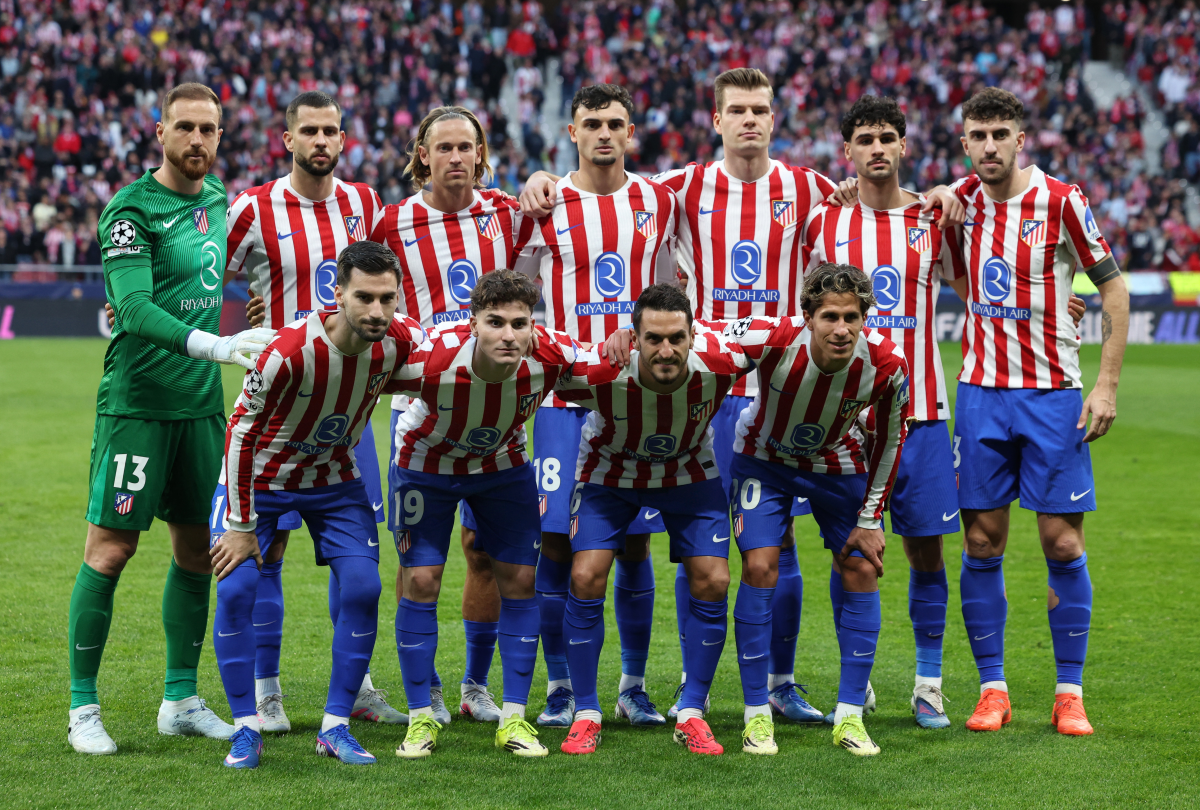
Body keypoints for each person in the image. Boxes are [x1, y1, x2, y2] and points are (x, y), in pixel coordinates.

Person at [522, 68, 961, 722]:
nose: (749, 119)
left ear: (774, 119)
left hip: (783, 392)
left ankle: (781, 682)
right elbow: (606, 187)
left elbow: (880, 197)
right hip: (702, 389)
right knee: (692, 544)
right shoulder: (679, 187)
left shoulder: (811, 189)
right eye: (738, 110)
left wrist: (938, 192)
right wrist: (543, 179)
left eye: (760, 109)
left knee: (776, 546)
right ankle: (681, 687)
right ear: (718, 119)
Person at [67, 83, 274, 756]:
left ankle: (180, 700)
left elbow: (232, 272)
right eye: (184, 127)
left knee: (196, 554)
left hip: (200, 409)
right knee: (111, 550)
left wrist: (257, 310)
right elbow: (131, 309)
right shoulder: (131, 210)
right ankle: (82, 708)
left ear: (220, 134)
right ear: (160, 132)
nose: (197, 140)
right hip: (139, 406)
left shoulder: (217, 200)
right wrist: (215, 345)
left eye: (208, 129)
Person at [216, 90, 402, 731]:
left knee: (354, 556)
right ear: (288, 138)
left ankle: (360, 688)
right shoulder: (252, 207)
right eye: (310, 131)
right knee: (264, 555)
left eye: (331, 131)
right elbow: (207, 275)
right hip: (279, 400)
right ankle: (266, 692)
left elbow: (382, 281)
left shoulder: (364, 204)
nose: (321, 141)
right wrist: (246, 318)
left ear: (343, 139)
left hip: (347, 409)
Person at [946, 88, 1128, 736]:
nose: (989, 145)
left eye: (1000, 133)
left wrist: (1105, 386)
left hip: (1053, 394)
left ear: (1021, 139)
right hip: (980, 395)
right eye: (978, 135)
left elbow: (1113, 288)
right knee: (981, 542)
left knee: (1063, 541)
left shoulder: (1061, 200)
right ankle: (992, 689)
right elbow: (918, 223)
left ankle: (1069, 693)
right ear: (964, 142)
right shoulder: (958, 201)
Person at [211, 240, 427, 769]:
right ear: (338, 294)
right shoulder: (287, 351)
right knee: (236, 588)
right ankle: (246, 727)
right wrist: (240, 524)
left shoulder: (401, 338)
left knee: (364, 586)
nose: (377, 311)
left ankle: (335, 726)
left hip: (334, 480)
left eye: (387, 298)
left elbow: (447, 355)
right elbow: (240, 432)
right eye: (364, 297)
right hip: (259, 481)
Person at [518, 84, 679, 728]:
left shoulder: (658, 201)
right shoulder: (545, 204)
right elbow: (514, 296)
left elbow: (672, 290)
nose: (604, 133)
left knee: (635, 546)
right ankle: (561, 688)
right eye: (592, 123)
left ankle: (632, 687)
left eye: (615, 123)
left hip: (637, 405)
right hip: (563, 401)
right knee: (557, 544)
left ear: (631, 132)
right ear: (573, 133)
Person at [370, 105, 533, 723]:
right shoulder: (393, 223)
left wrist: (542, 178)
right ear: (423, 156)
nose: (457, 157)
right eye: (444, 147)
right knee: (419, 565)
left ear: (481, 154)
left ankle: (475, 687)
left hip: (496, 407)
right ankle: (427, 689)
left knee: (483, 552)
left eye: (467, 147)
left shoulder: (506, 214)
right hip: (422, 409)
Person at [717, 262, 910, 757]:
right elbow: (702, 336)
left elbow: (891, 440)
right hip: (763, 459)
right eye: (829, 316)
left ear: (864, 317)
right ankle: (757, 714)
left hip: (835, 462)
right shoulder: (774, 337)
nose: (841, 329)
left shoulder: (887, 365)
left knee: (861, 565)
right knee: (760, 566)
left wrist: (870, 519)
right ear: (808, 316)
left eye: (851, 316)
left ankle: (849, 716)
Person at [387, 270, 578, 759]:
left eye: (520, 323)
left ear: (533, 325)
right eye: (495, 322)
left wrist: (623, 343)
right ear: (473, 323)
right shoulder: (435, 356)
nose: (509, 335)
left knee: (520, 579)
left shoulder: (553, 354)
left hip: (502, 465)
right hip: (425, 463)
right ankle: (421, 717)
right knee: (421, 580)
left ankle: (513, 718)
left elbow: (605, 369)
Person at [556, 283, 749, 756]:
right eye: (653, 339)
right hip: (609, 474)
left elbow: (782, 333)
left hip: (689, 471)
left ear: (693, 335)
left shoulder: (722, 360)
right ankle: (586, 713)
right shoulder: (601, 370)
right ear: (635, 337)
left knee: (714, 579)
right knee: (585, 576)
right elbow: (545, 357)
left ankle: (692, 711)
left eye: (676, 338)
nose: (666, 350)